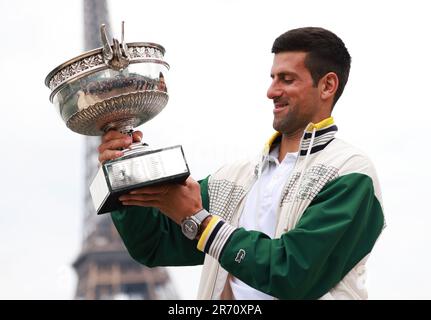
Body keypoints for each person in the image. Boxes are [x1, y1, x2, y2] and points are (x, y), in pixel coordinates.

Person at [97, 27, 385, 300]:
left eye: (286, 79)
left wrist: (201, 223)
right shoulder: (236, 177)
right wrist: (124, 168)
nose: (271, 91)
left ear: (327, 86)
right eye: (272, 78)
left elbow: (293, 273)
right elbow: (153, 243)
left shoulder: (350, 172)